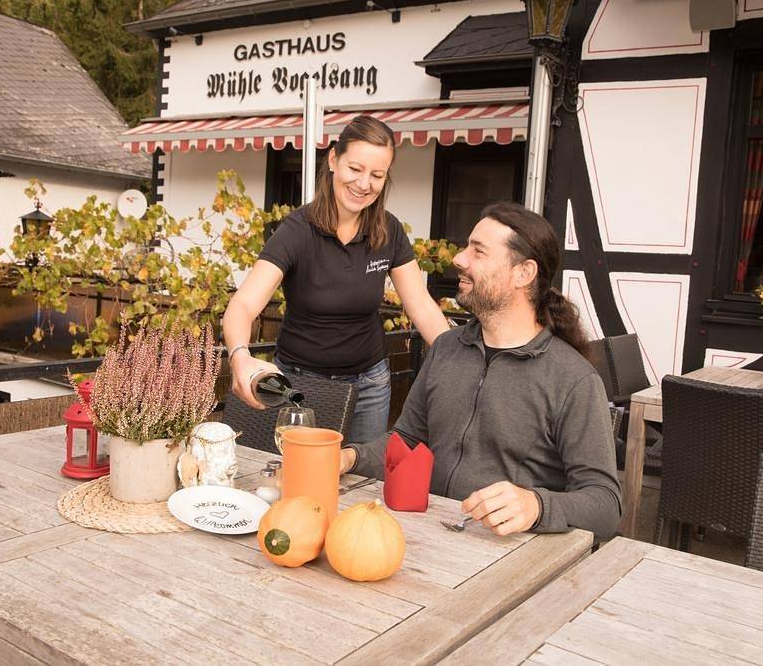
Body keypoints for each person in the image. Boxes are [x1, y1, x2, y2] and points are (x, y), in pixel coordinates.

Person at [340, 202, 621, 537]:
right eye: (466, 247)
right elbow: (406, 441)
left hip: (511, 549)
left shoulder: (573, 379)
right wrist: (350, 458)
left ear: (523, 273)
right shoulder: (446, 348)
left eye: (478, 251)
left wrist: (536, 506)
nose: (459, 259)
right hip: (429, 536)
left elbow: (605, 505)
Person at [222, 115, 450, 444]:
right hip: (299, 385)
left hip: (369, 386)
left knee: (361, 472)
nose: (364, 184)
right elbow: (243, 304)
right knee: (298, 471)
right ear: (333, 160)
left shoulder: (389, 231)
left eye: (377, 175)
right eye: (355, 169)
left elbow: (422, 308)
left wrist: (458, 361)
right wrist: (240, 356)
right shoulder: (297, 230)